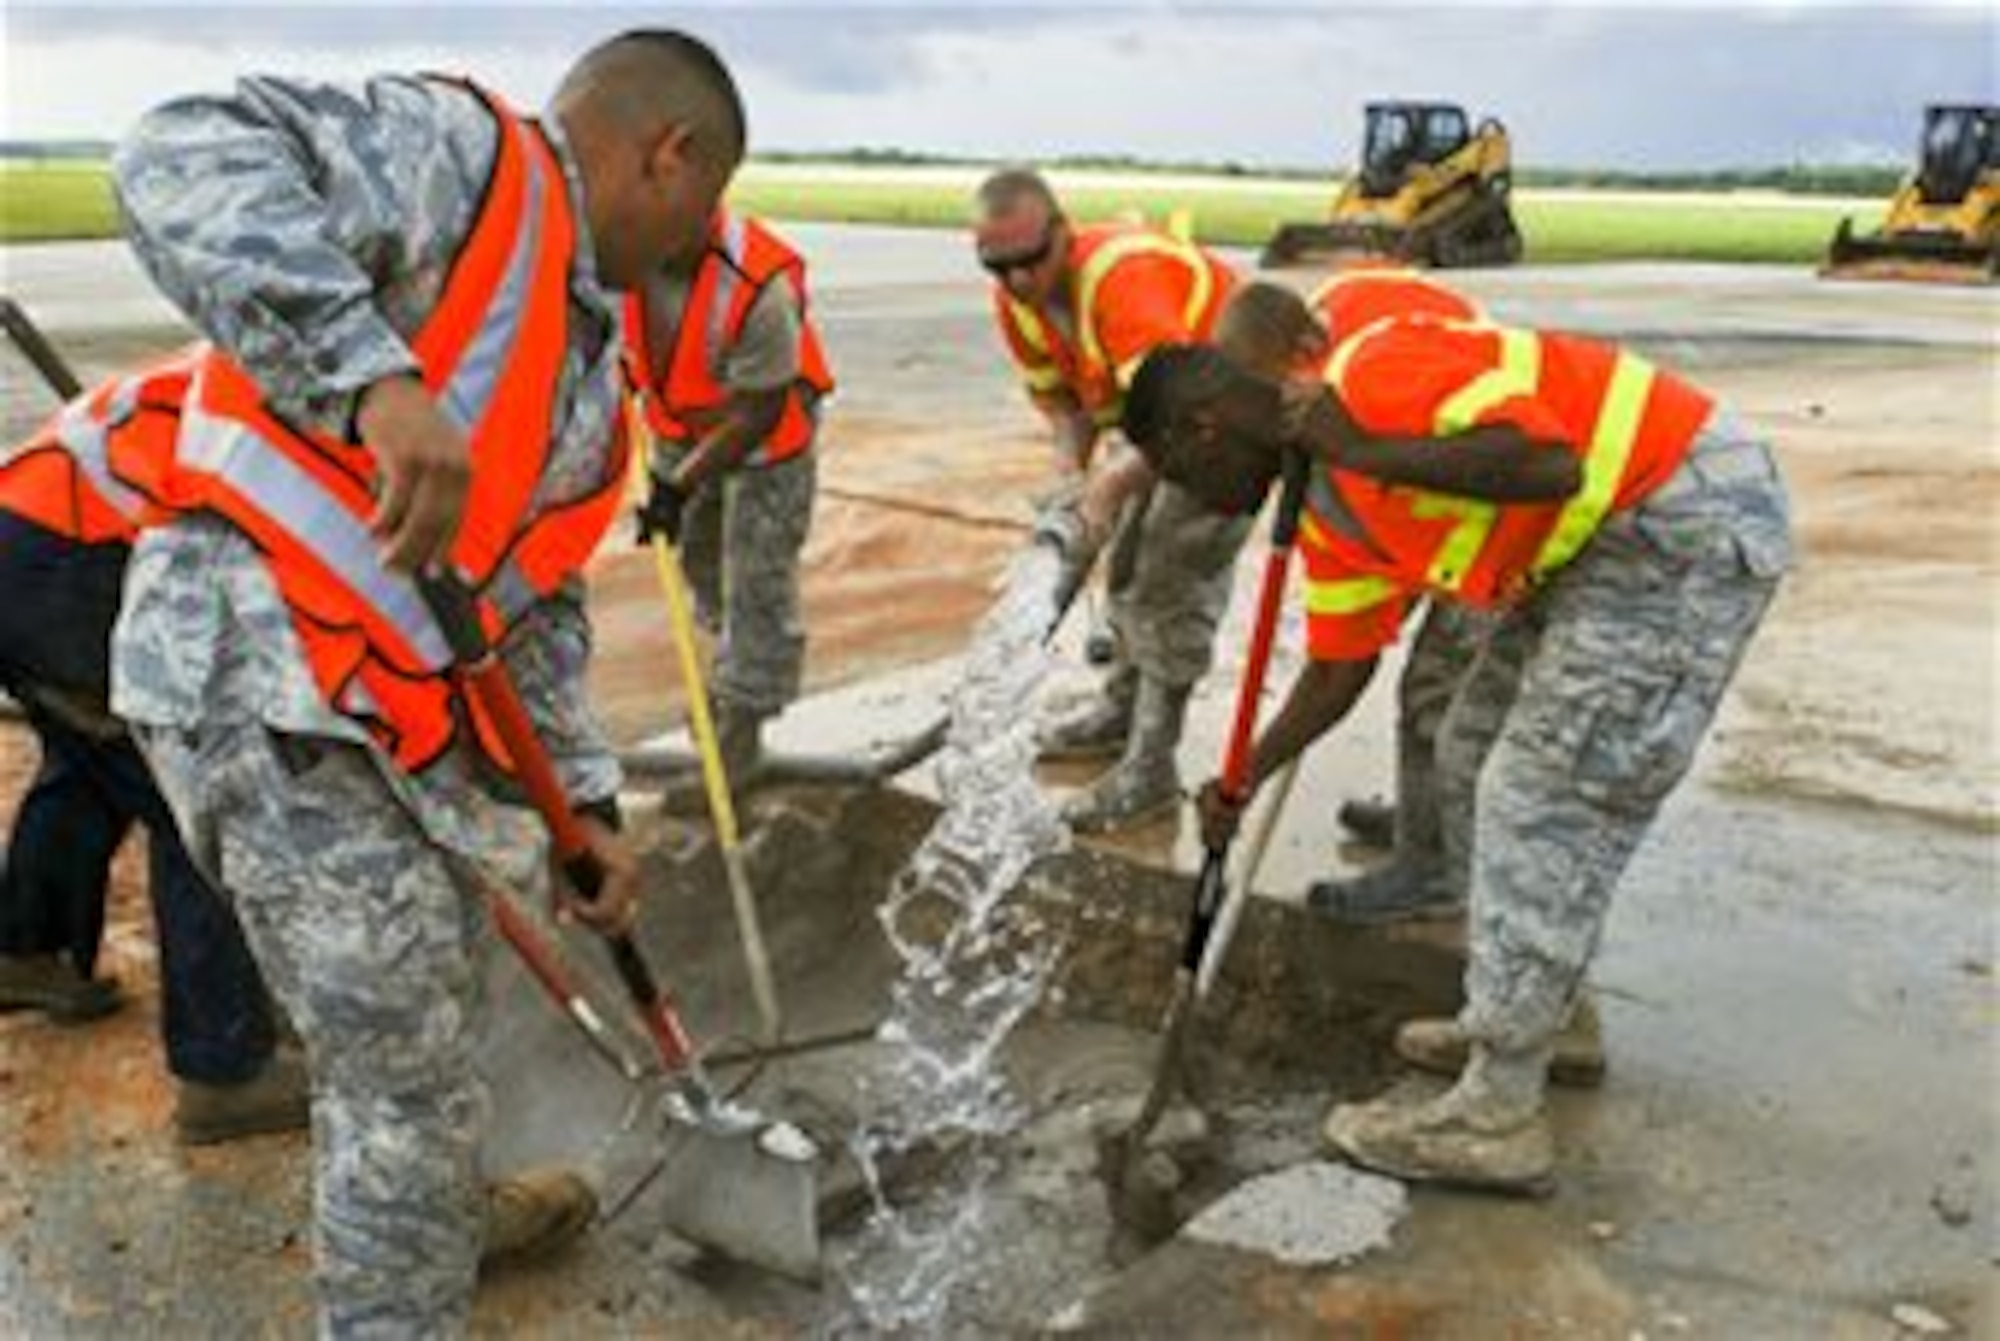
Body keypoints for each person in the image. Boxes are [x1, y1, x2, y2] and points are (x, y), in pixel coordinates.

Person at [26, 31, 744, 1332]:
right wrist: (373, 377)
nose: (706, 236)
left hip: (378, 721)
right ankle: (405, 1267)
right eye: (712, 201)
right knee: (399, 1077)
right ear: (670, 153)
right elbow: (179, 150)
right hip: (260, 680)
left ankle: (428, 1211)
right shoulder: (471, 166)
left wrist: (584, 804)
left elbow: (536, 607)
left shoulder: (588, 373)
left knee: (421, 1037)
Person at [1119, 311, 1791, 1193]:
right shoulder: (1323, 504)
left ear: (1200, 426)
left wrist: (1364, 448)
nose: (1201, 502)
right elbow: (1337, 670)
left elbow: (1551, 463)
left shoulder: (1375, 371)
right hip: (1593, 550)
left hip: (1680, 512)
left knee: (1541, 794)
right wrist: (1241, 773)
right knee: (1469, 748)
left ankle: (1497, 1115)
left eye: (1183, 476)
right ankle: (1543, 1019)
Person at [0, 484, 305, 1143]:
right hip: (65, 571)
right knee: (193, 799)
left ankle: (29, 948)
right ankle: (224, 1073)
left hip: (26, 538)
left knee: (90, 762)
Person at [973, 167, 1243, 831]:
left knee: (1166, 579)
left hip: (1233, 420)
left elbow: (1189, 422)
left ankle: (1150, 769)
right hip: (1167, 420)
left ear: (1062, 235)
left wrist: (1110, 484)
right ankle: (1122, 709)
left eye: (1029, 261)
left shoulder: (1124, 283)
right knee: (1124, 566)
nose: (1016, 281)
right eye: (996, 266)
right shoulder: (1018, 302)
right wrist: (1072, 482)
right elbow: (1066, 407)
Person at [626, 207, 835, 784]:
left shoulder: (755, 285)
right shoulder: (622, 249)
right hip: (680, 427)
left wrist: (678, 485)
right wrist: (673, 486)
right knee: (698, 561)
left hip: (767, 437)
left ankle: (743, 726)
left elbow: (757, 414)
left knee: (756, 579)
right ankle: (728, 671)